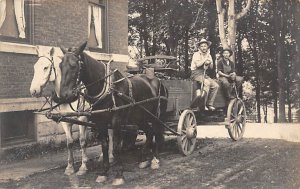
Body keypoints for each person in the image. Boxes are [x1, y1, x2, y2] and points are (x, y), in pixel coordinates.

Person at [191, 39, 219, 111]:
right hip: (196, 74)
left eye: (205, 46)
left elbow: (211, 67)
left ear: (207, 47)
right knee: (207, 83)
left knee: (216, 86)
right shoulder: (196, 54)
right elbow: (198, 64)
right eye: (202, 46)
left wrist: (209, 62)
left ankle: (209, 104)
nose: (203, 47)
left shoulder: (209, 55)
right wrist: (205, 59)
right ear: (199, 47)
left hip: (204, 74)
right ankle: (202, 105)